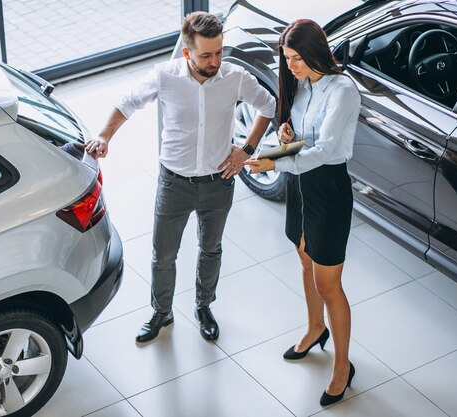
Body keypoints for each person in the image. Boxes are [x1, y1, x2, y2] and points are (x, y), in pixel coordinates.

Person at [86, 11, 276, 343]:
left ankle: (204, 307)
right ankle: (162, 312)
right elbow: (126, 104)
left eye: (219, 52)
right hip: (174, 184)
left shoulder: (235, 77)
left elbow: (269, 106)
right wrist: (104, 136)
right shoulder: (164, 77)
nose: (215, 60)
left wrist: (246, 148)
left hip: (219, 182)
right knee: (164, 255)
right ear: (187, 52)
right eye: (206, 54)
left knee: (211, 249)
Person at [245, 19, 360, 406]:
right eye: (287, 58)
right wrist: (284, 142)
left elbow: (326, 152)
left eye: (295, 58)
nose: (290, 66)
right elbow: (303, 142)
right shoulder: (303, 84)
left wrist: (274, 163)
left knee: (329, 284)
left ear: (313, 52)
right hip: (301, 185)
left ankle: (343, 367)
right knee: (304, 258)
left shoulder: (341, 90)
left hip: (328, 188)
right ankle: (314, 329)